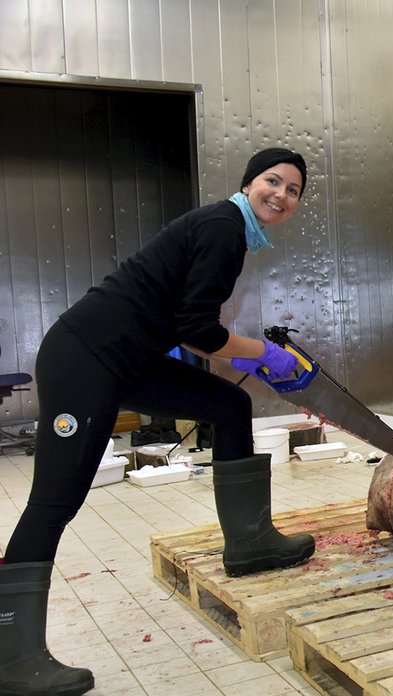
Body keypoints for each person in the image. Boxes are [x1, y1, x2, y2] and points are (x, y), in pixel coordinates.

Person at [0, 148, 317, 695]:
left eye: (293, 190)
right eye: (273, 181)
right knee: (56, 500)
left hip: (129, 360)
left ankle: (250, 542)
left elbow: (188, 322)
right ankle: (11, 654)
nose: (281, 195)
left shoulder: (229, 231)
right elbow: (197, 330)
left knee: (229, 407)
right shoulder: (223, 227)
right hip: (87, 357)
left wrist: (241, 354)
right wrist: (261, 353)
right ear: (249, 183)